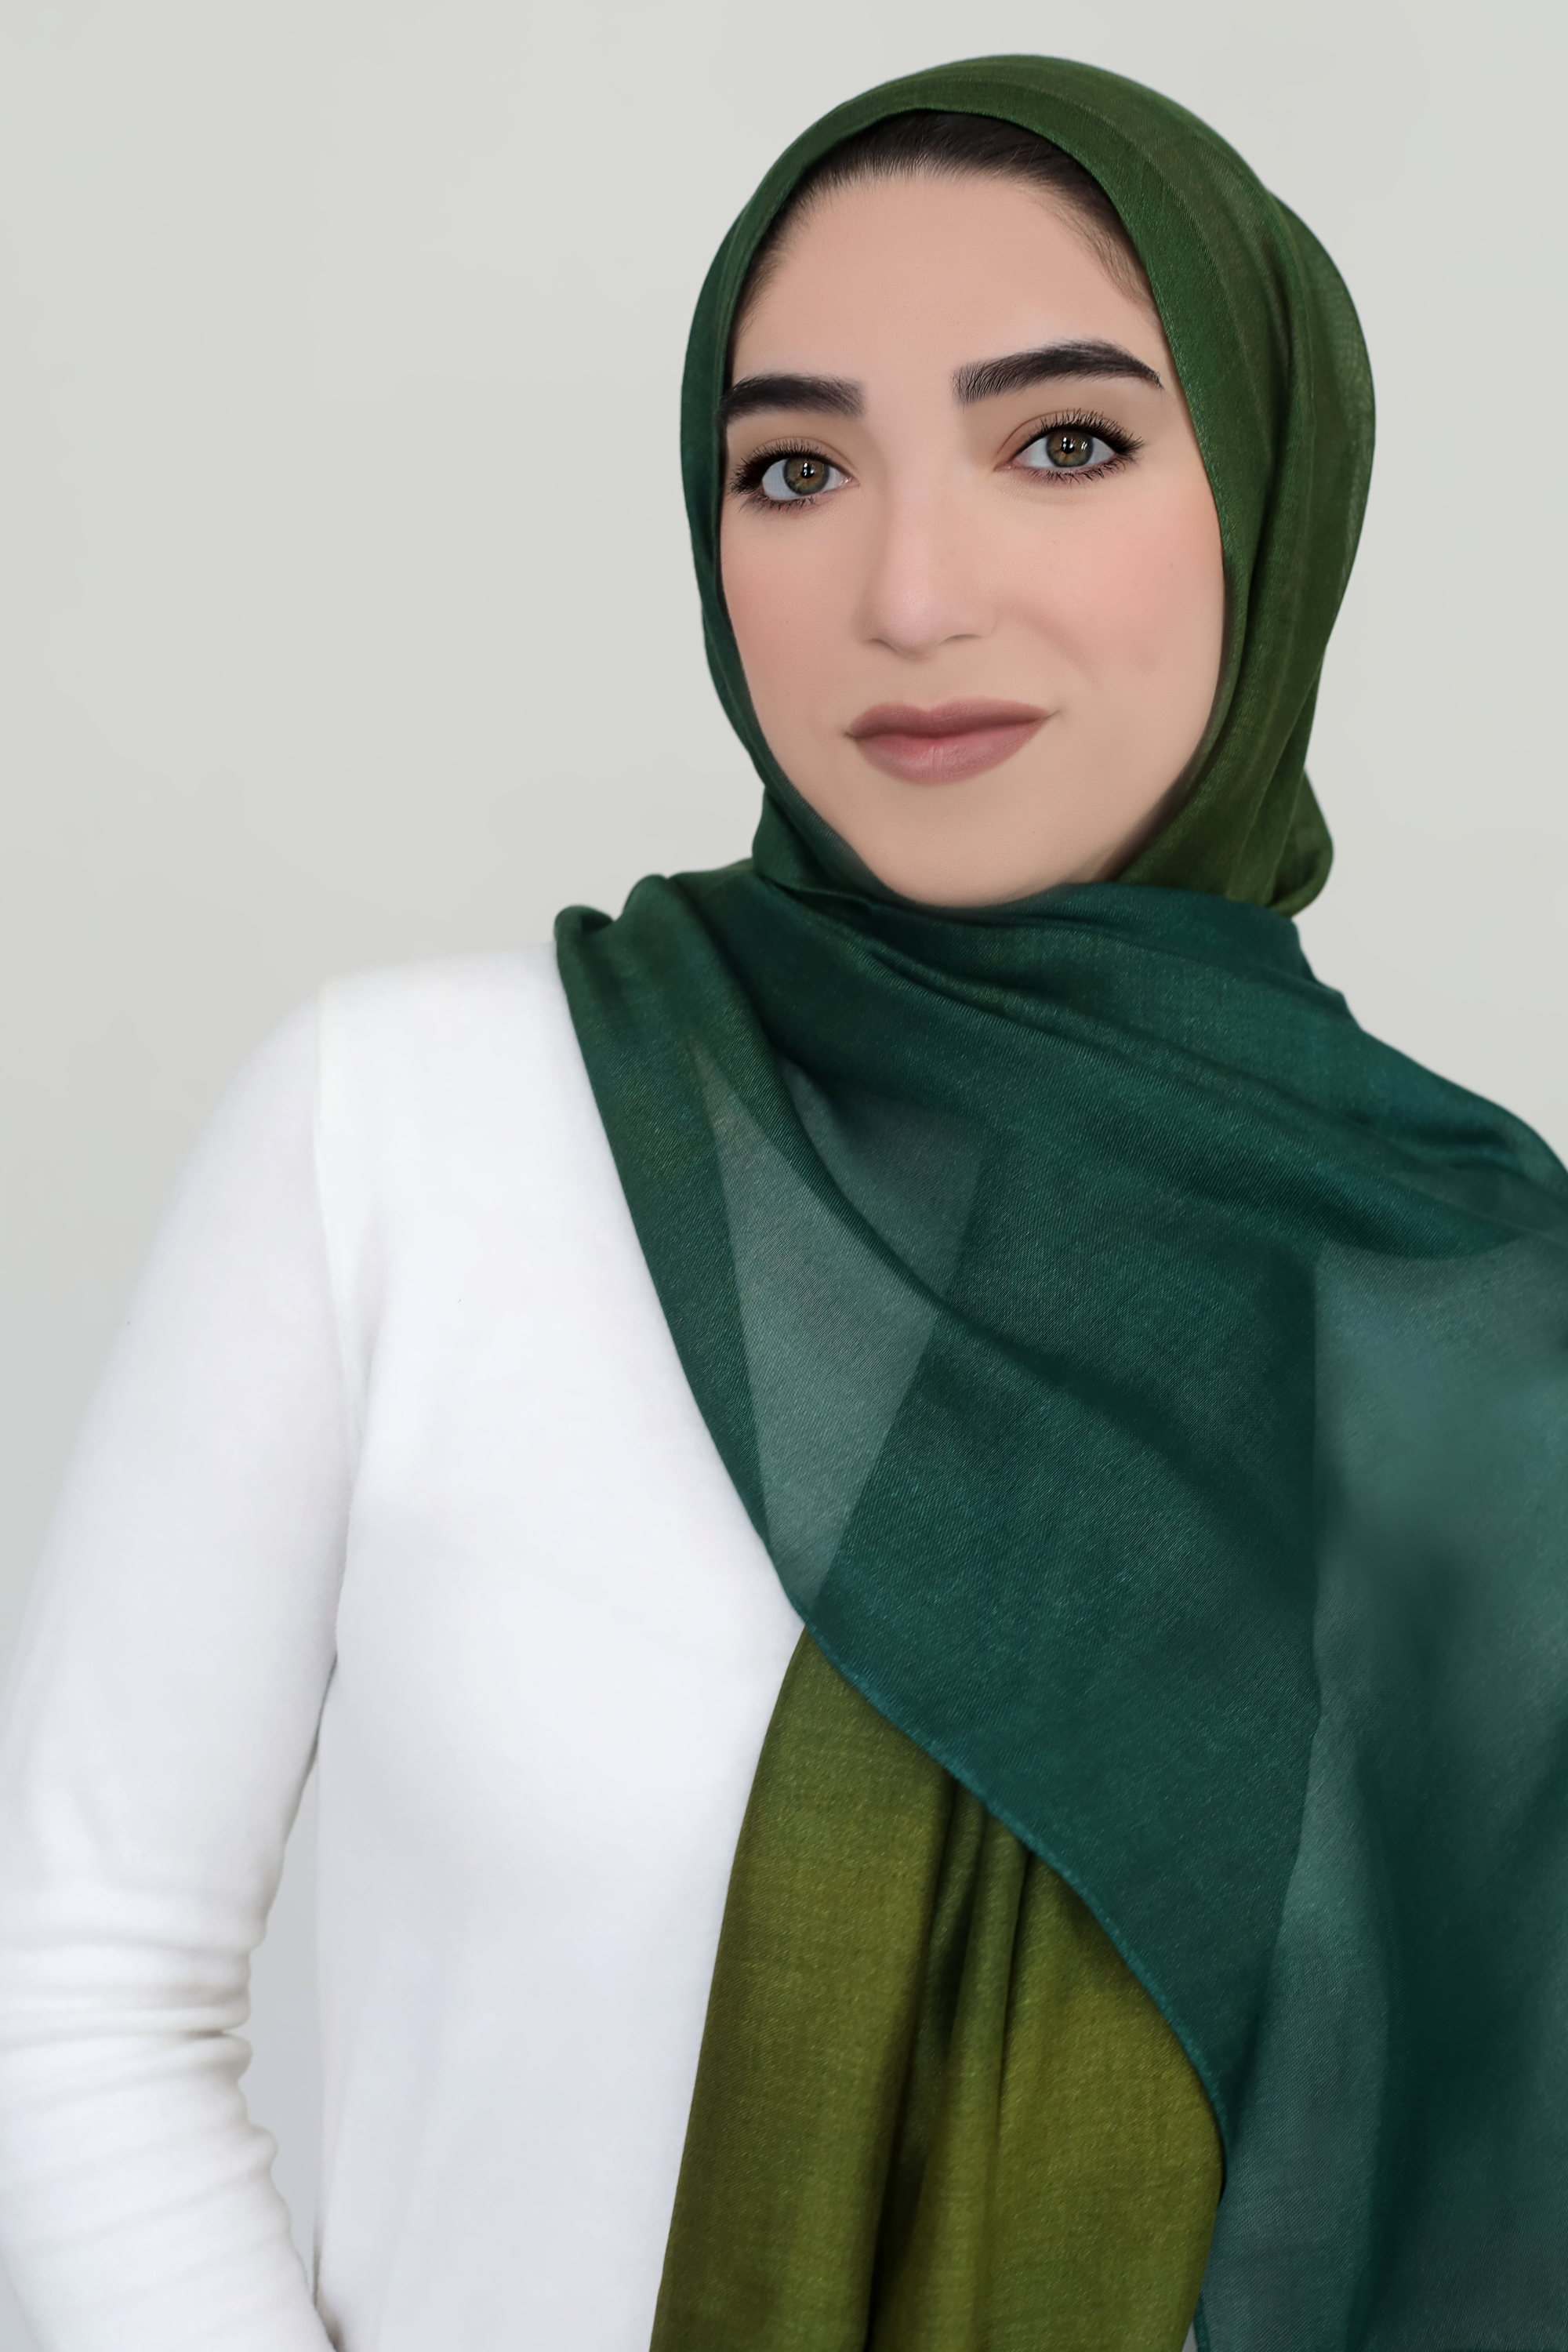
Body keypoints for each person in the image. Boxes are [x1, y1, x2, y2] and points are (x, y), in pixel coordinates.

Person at [2, 51, 1566, 2352]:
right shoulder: (413, 1133)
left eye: (1064, 444)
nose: (908, 594)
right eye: (796, 470)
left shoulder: (1486, 1314)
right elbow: (76, 1998)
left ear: (1273, 491)